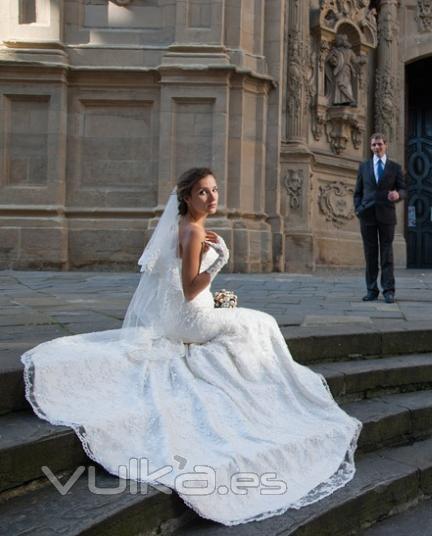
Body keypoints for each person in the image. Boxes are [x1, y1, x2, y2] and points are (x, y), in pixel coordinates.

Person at [20, 168, 361, 526]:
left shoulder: (184, 226)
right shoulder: (193, 230)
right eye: (203, 193)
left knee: (250, 322)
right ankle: (270, 391)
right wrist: (221, 259)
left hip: (180, 317)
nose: (212, 198)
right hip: (190, 321)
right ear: (186, 197)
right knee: (262, 323)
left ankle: (257, 381)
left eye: (214, 190)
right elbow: (191, 289)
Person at [353, 133, 406, 303]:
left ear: (386, 145)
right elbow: (358, 192)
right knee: (370, 254)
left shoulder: (395, 168)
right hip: (367, 215)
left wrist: (398, 194)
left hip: (386, 216)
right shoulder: (364, 167)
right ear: (370, 147)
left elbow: (404, 190)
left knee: (386, 254)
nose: (377, 147)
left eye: (380, 144)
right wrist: (358, 209)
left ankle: (388, 291)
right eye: (374, 145)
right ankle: (371, 290)